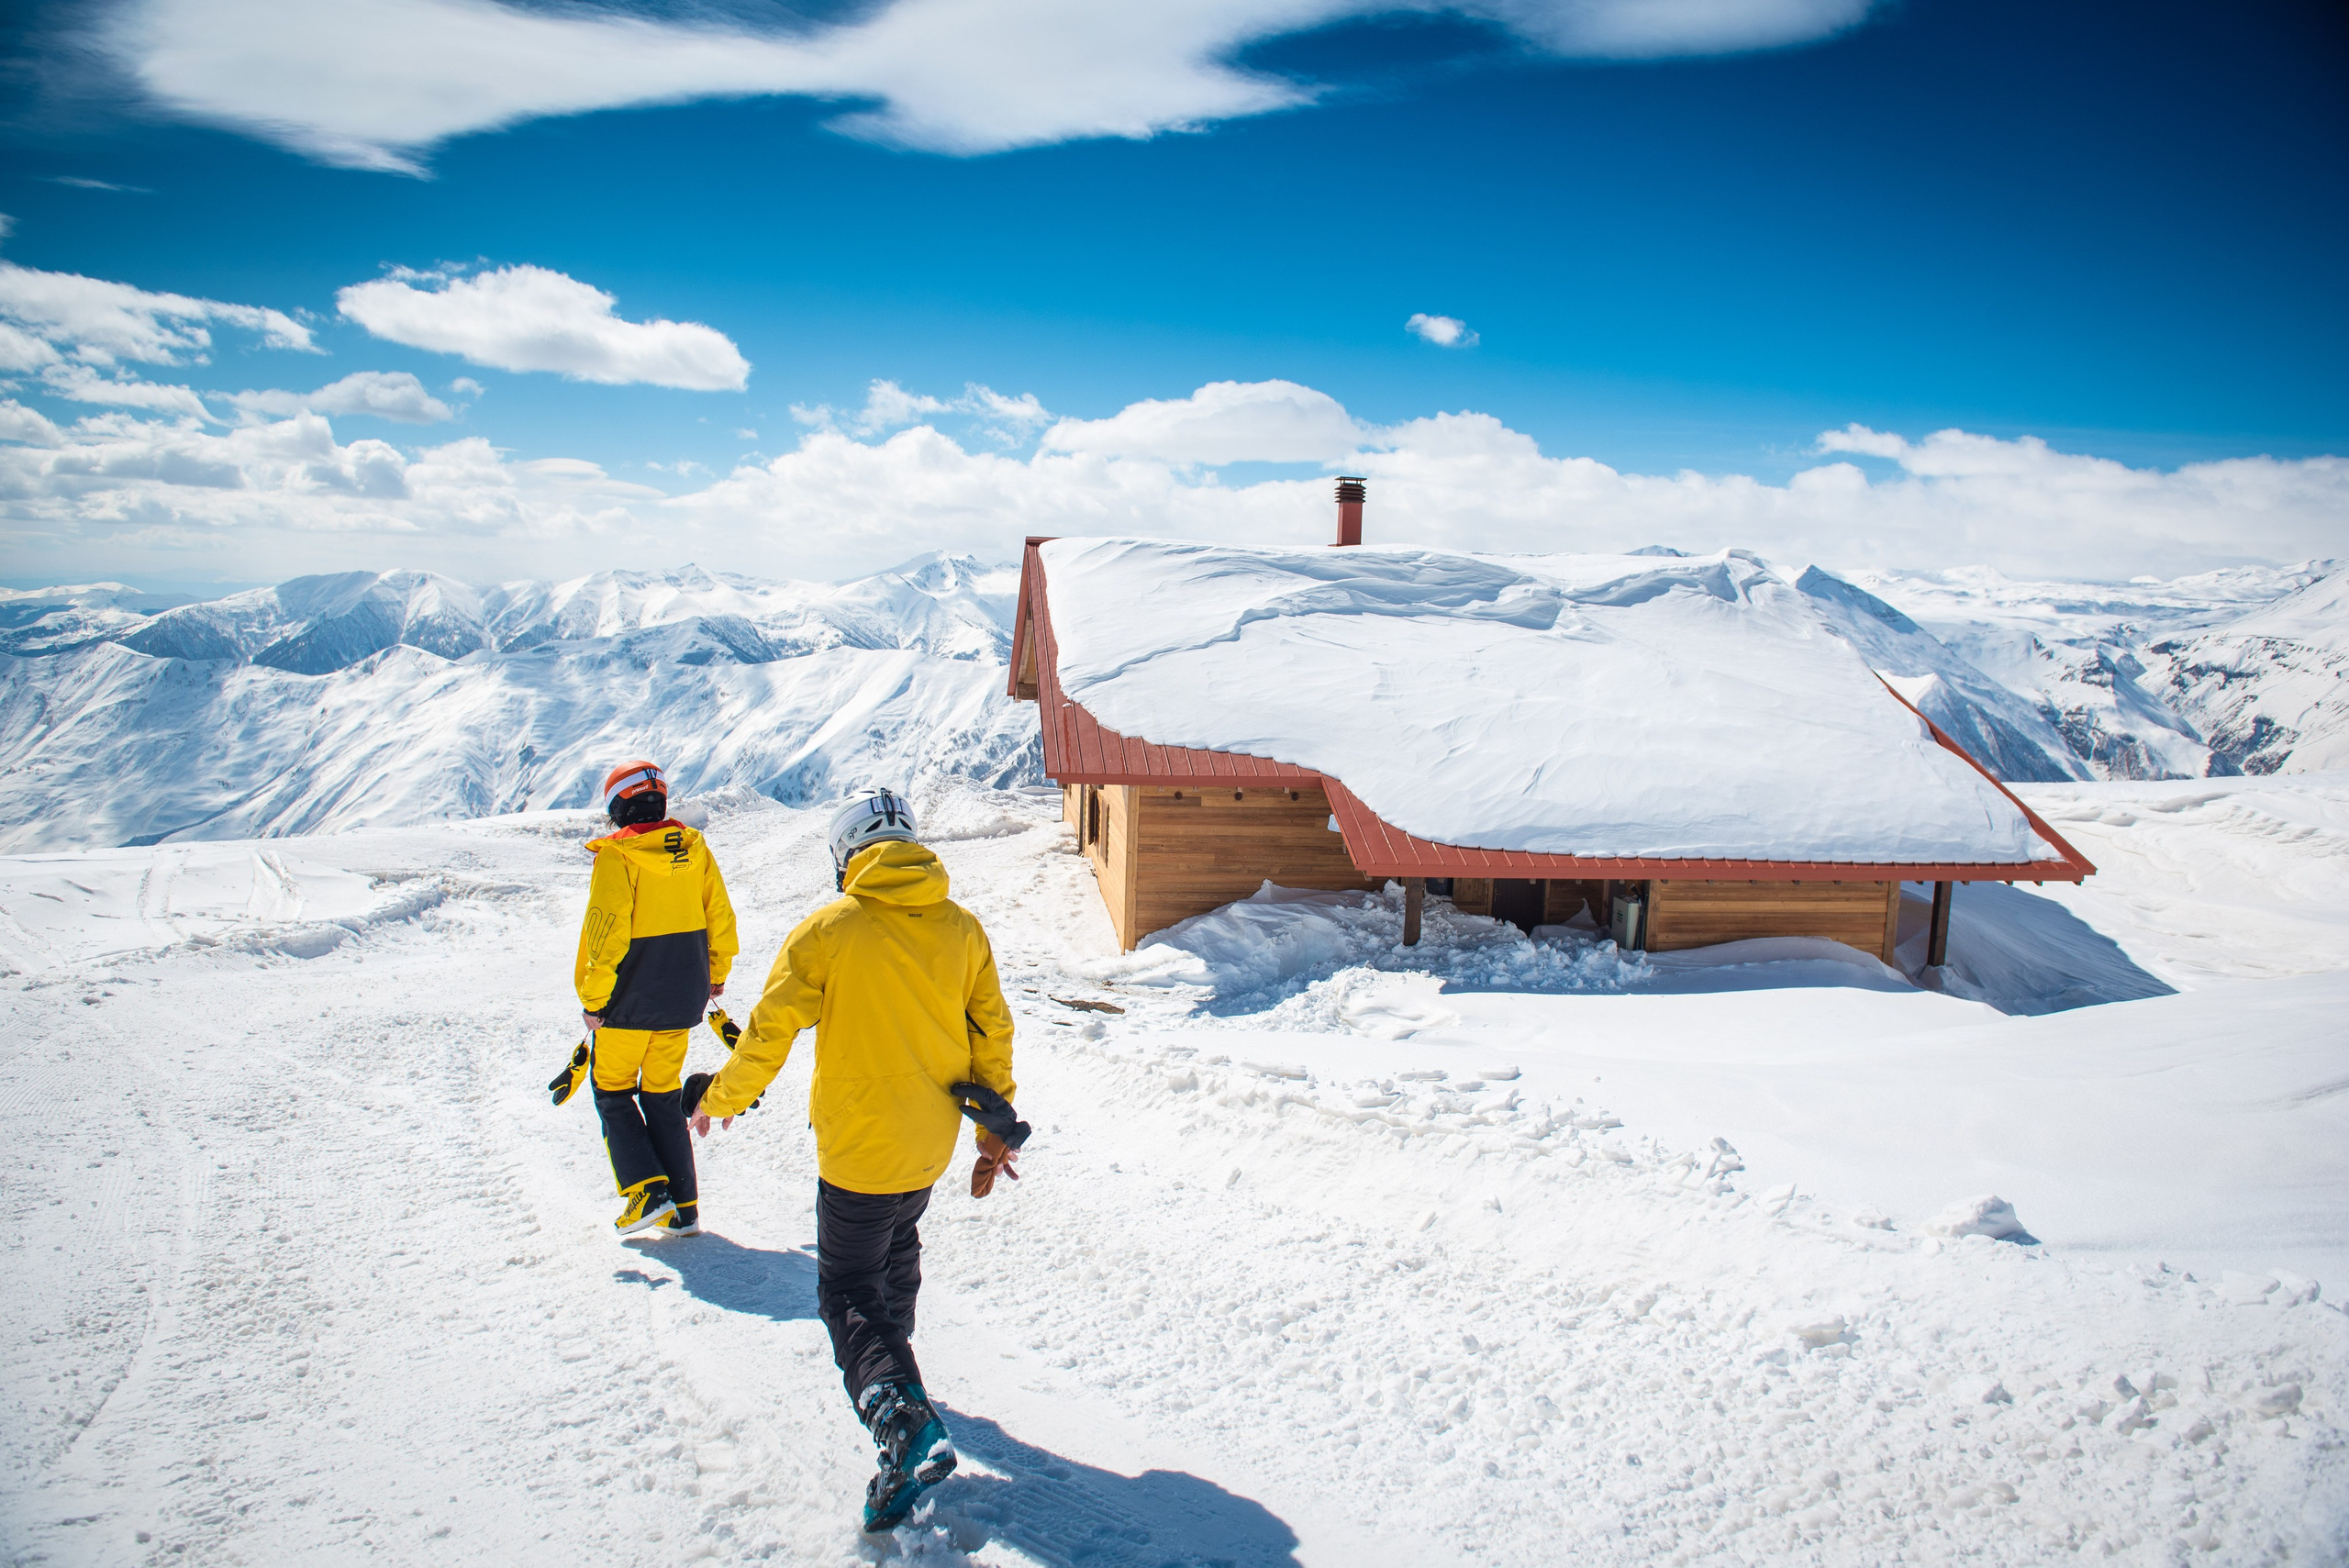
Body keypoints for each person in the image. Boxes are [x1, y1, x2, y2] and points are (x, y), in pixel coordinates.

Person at [684, 788, 1020, 1533]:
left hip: (862, 1148)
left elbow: (768, 1034)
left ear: (848, 857)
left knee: (845, 1289)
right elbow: (991, 1032)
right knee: (895, 1258)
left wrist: (719, 1098)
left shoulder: (831, 928)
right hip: (926, 1146)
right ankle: (903, 1392)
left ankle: (901, 1422)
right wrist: (992, 1136)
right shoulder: (963, 929)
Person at [573, 759, 739, 1237]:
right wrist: (716, 973)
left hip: (626, 1005)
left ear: (618, 809)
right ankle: (684, 1208)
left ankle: (647, 1191)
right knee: (662, 1096)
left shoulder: (618, 857)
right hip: (682, 1000)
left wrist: (593, 999)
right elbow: (720, 916)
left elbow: (606, 936)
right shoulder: (695, 847)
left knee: (613, 1092)